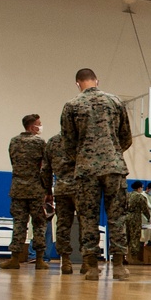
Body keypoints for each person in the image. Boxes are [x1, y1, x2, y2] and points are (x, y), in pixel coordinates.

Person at [60, 68, 134, 281]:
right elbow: (126, 137)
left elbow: (68, 143)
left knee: (88, 219)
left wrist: (84, 157)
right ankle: (119, 266)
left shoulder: (72, 106)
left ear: (77, 83)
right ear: (96, 81)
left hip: (86, 170)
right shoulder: (115, 102)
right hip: (114, 167)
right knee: (117, 217)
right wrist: (111, 152)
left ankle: (92, 267)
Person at [0, 114, 49, 270]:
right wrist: (48, 189)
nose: (40, 126)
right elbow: (45, 167)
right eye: (39, 124)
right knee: (40, 224)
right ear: (31, 126)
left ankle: (15, 258)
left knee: (19, 224)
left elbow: (13, 162)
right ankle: (40, 259)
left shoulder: (14, 141)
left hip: (18, 189)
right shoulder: (40, 143)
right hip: (36, 189)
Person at [42, 133, 78, 274]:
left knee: (63, 225)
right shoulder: (83, 137)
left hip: (61, 188)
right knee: (87, 225)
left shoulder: (53, 141)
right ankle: (88, 262)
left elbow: (45, 169)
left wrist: (48, 190)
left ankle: (66, 261)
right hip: (82, 188)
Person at [125, 181, 150, 265]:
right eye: (142, 188)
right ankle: (133, 258)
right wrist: (149, 217)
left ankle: (123, 258)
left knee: (126, 238)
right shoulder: (140, 197)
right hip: (135, 218)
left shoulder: (127, 195)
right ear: (139, 188)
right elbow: (145, 209)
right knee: (134, 238)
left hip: (125, 217)